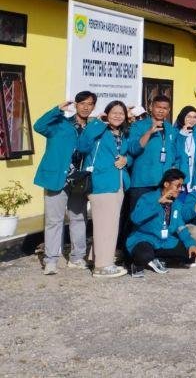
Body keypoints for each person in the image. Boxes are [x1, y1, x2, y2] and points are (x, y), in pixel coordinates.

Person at [33, 92, 96, 275]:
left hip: (79, 179)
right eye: (82, 103)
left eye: (90, 104)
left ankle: (77, 257)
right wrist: (56, 110)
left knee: (78, 218)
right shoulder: (60, 123)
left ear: (93, 106)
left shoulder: (92, 128)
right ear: (76, 104)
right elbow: (38, 126)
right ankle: (51, 260)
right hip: (56, 178)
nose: (86, 107)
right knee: (54, 220)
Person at [77, 100, 132, 278]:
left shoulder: (122, 133)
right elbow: (82, 146)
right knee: (105, 225)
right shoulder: (98, 130)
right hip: (101, 183)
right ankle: (103, 266)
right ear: (106, 114)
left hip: (118, 183)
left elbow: (128, 153)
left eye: (121, 113)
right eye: (114, 112)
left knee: (109, 224)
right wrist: (98, 123)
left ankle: (97, 257)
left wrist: (126, 160)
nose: (117, 115)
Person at [126, 169, 196, 278]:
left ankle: (157, 259)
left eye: (181, 186)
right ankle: (136, 263)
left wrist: (191, 244)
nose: (180, 189)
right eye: (178, 185)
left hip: (164, 241)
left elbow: (180, 226)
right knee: (144, 255)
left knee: (190, 256)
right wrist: (157, 203)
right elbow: (135, 218)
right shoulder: (148, 197)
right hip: (145, 239)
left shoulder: (176, 203)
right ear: (166, 184)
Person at [126, 95, 178, 215]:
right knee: (138, 217)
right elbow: (133, 149)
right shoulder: (138, 126)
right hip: (142, 182)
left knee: (159, 218)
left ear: (169, 110)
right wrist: (149, 132)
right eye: (158, 107)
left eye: (164, 108)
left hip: (163, 183)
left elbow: (174, 155)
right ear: (151, 107)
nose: (161, 110)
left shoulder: (171, 129)